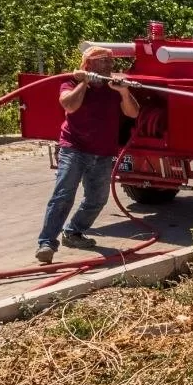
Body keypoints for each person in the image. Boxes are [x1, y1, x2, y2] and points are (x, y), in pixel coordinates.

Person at [35, 45, 140, 263]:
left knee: (97, 198)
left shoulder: (114, 86)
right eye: (103, 61)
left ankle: (73, 232)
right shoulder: (71, 82)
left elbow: (133, 112)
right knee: (63, 195)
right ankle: (46, 243)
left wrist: (123, 91)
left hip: (103, 152)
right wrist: (84, 82)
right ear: (89, 63)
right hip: (74, 148)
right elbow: (69, 105)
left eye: (110, 61)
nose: (109, 65)